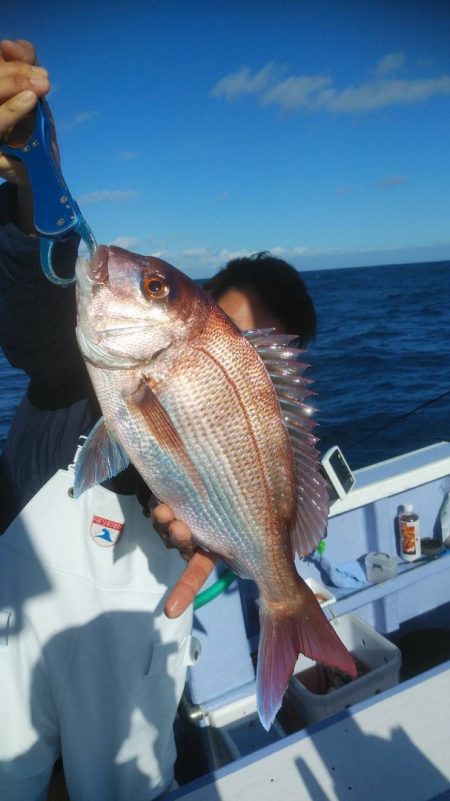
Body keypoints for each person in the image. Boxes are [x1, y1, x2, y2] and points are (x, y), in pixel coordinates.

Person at [0, 39, 317, 801]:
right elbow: (38, 299)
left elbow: (260, 498)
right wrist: (20, 171)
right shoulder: (76, 365)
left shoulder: (242, 467)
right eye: (226, 332)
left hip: (144, 635)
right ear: (196, 302)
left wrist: (247, 560)